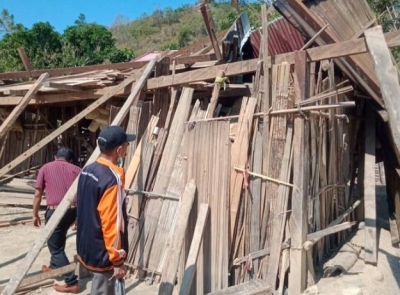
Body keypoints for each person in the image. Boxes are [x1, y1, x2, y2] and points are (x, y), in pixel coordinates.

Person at [76, 126, 135, 295]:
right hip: (103, 252)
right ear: (119, 150)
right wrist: (117, 260)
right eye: (126, 145)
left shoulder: (88, 170)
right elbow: (111, 222)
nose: (126, 149)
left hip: (86, 245)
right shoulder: (111, 179)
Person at [33, 147, 81, 293]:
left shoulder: (45, 168)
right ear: (71, 160)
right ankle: (55, 267)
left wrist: (34, 214)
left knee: (55, 247)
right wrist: (79, 217)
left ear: (55, 157)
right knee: (58, 238)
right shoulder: (77, 170)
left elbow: (38, 194)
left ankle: (71, 282)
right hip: (74, 210)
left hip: (56, 211)